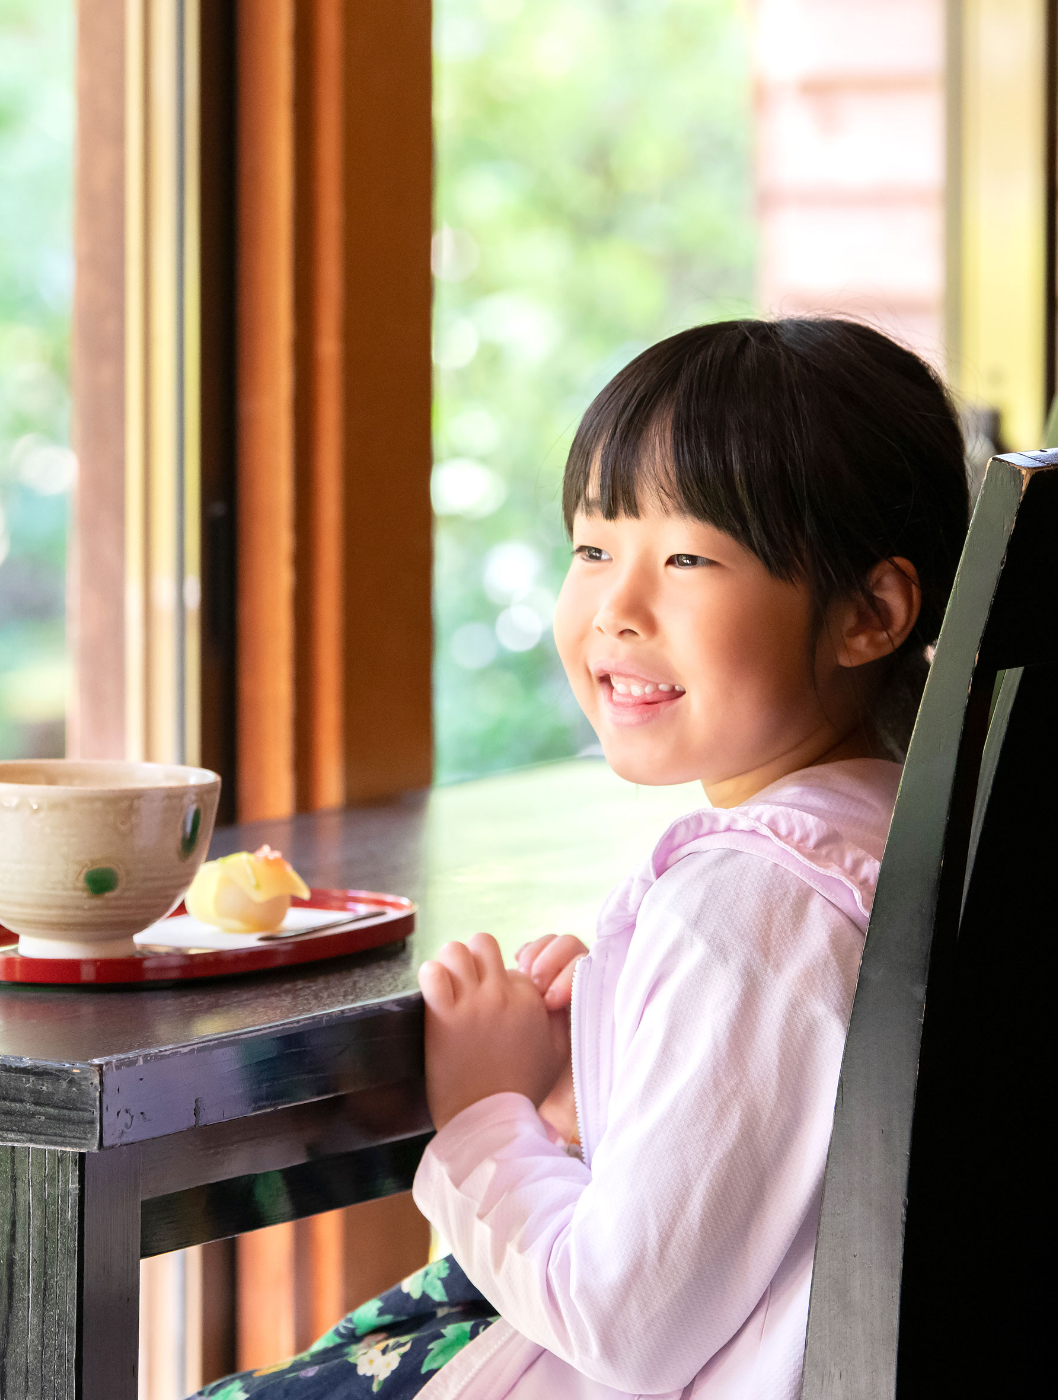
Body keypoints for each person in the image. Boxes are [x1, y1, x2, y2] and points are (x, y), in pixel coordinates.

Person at [191, 317, 971, 1400]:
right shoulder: (899, 836)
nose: (615, 608)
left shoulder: (751, 904)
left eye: (689, 556)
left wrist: (483, 1109)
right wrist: (596, 1066)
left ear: (870, 612)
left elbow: (626, 1320)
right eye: (594, 548)